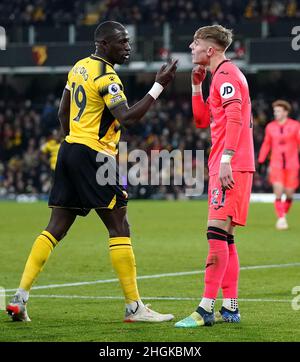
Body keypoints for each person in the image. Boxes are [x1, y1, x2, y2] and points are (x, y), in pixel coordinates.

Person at [7, 21, 178, 323]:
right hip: (95, 155)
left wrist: (72, 144)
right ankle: (134, 307)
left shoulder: (79, 67)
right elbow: (128, 118)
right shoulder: (108, 77)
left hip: (70, 147)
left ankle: (20, 298)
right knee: (120, 226)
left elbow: (63, 112)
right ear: (103, 44)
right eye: (122, 42)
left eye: (128, 41)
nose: (128, 47)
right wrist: (159, 85)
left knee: (55, 227)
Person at [175, 25, 255, 328]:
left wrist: (226, 160)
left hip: (230, 164)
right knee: (226, 237)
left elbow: (235, 117)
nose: (191, 46)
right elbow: (200, 121)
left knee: (215, 233)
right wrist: (196, 86)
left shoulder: (226, 76)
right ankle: (230, 307)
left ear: (211, 50)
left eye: (196, 43)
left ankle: (205, 309)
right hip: (229, 162)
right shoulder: (218, 76)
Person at [258, 100, 300, 230]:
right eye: (275, 111)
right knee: (278, 190)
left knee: (289, 194)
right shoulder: (270, 127)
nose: (276, 113)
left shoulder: (295, 126)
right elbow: (266, 144)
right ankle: (281, 218)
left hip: (292, 164)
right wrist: (261, 160)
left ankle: (283, 214)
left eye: (278, 111)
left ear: (286, 112)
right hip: (276, 163)